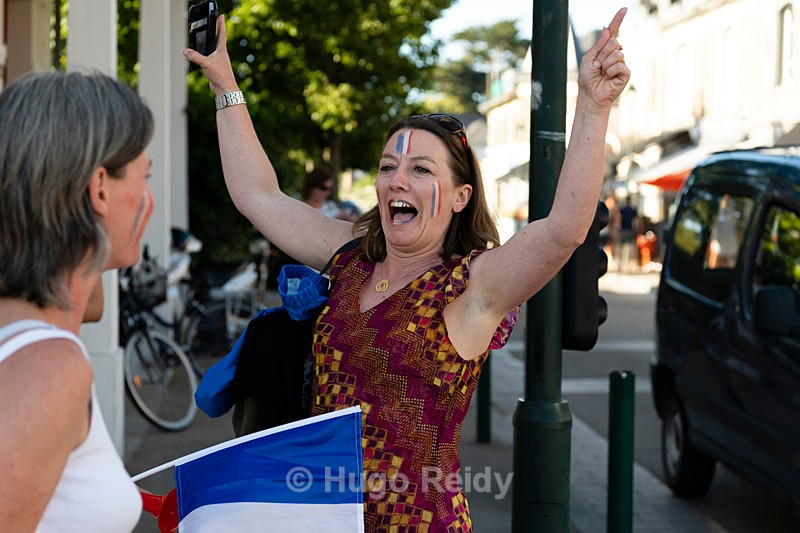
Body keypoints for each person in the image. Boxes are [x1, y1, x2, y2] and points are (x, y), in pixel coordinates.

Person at [185, 7, 629, 530]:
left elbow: (563, 231)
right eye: (388, 167)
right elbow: (257, 195)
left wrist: (594, 106)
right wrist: (224, 84)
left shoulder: (473, 287)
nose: (398, 180)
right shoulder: (351, 257)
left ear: (461, 197)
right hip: (322, 517)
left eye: (420, 169)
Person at [0, 70, 155, 532]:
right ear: (100, 188)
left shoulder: (28, 325)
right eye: (145, 178)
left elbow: (88, 302)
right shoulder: (49, 368)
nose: (149, 200)